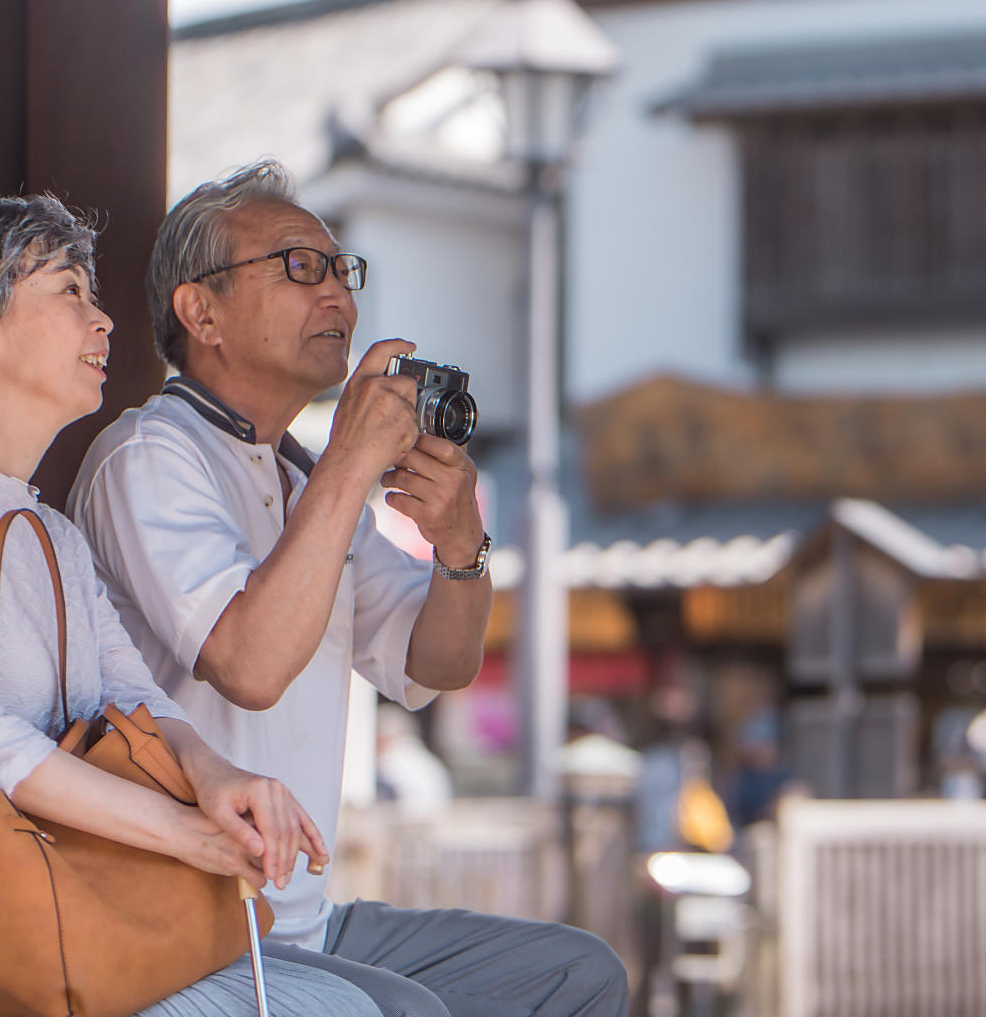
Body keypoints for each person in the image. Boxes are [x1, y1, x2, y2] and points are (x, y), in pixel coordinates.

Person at [0, 194, 380, 1017]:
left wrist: (219, 777)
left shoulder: (51, 532)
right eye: (69, 292)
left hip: (20, 886)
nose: (102, 322)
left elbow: (133, 697)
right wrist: (181, 834)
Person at [69, 162, 629, 1017]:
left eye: (342, 269)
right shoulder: (150, 454)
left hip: (305, 922)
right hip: (184, 919)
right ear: (201, 311)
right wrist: (351, 461)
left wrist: (459, 543)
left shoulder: (302, 478)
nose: (337, 295)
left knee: (577, 973)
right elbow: (249, 665)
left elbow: (438, 663)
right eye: (299, 267)